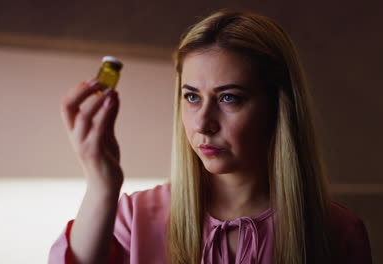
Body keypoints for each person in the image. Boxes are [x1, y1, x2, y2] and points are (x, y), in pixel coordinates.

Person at [49, 10, 373, 264]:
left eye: (229, 98)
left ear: (279, 107)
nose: (203, 123)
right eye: (192, 97)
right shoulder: (134, 219)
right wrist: (101, 185)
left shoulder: (337, 233)